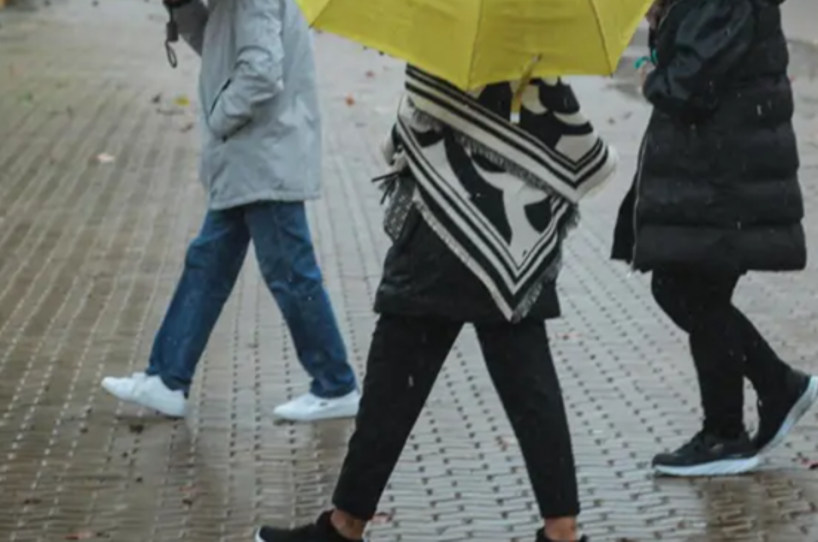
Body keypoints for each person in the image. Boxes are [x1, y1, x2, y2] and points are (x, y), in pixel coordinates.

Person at [256, 65, 616, 542]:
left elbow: (412, 130)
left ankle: (344, 527)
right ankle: (562, 532)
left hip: (436, 245)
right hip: (515, 246)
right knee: (530, 391)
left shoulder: (451, 36)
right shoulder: (536, 41)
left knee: (393, 388)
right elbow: (570, 143)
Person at [101, 0, 360, 423]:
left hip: (264, 154)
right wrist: (182, 3)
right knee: (209, 264)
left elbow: (261, 69)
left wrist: (219, 118)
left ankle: (335, 383)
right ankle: (167, 379)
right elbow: (223, 51)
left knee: (290, 272)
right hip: (251, 156)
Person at [612, 0, 818, 478]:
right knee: (697, 294)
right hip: (717, 178)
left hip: (723, 182)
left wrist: (654, 74)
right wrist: (665, 21)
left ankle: (744, 415)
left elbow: (689, 88)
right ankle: (744, 414)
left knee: (688, 292)